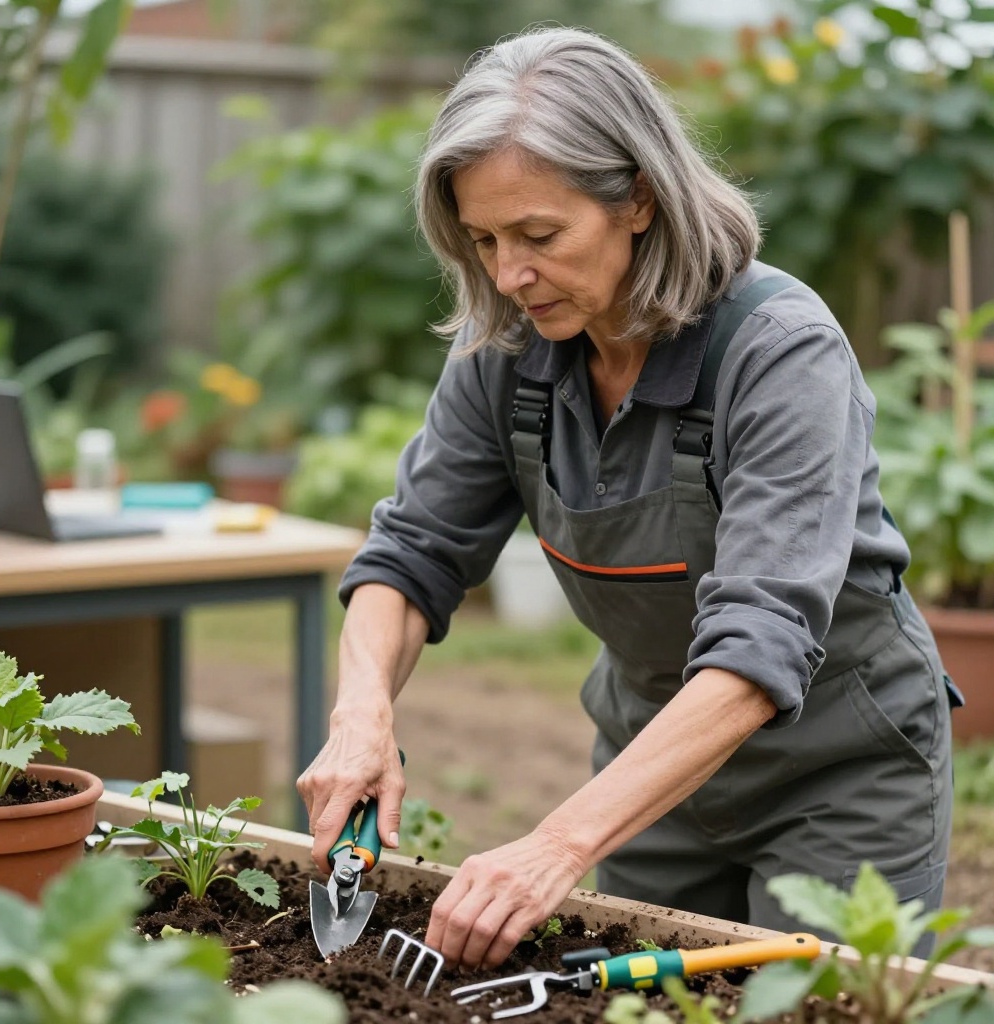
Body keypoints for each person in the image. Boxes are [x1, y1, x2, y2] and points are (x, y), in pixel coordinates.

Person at [297, 25, 956, 970]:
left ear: (639, 197)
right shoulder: (506, 351)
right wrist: (362, 715)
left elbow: (760, 641)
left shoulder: (778, 352)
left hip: (839, 772)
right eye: (482, 239)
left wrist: (557, 846)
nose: (508, 274)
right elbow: (412, 556)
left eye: (539, 235)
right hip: (654, 766)